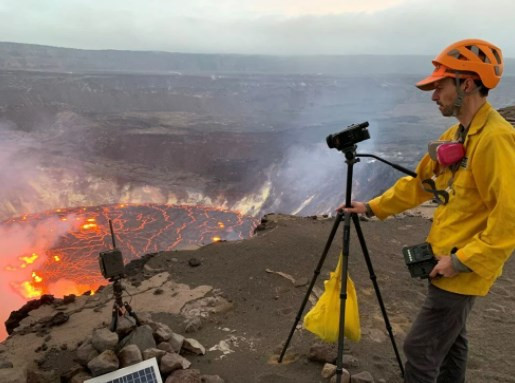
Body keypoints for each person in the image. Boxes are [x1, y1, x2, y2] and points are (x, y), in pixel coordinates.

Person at [341, 38, 515, 382]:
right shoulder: (458, 134)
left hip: (461, 268)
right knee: (451, 342)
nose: (434, 96)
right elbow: (421, 183)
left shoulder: (495, 139)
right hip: (446, 259)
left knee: (420, 349)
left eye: (440, 86)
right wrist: (372, 207)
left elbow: (509, 217)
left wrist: (462, 260)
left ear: (467, 83)